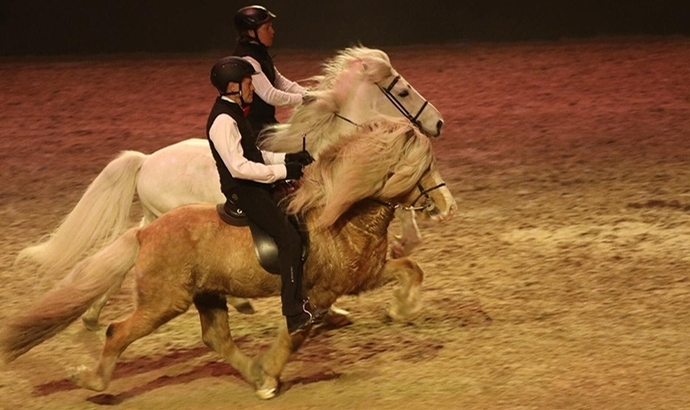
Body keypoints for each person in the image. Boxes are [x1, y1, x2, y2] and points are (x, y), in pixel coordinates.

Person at [206, 56, 315, 336]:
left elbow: (256, 154)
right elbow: (239, 168)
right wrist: (282, 171)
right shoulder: (222, 121)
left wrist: (289, 157)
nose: (252, 89)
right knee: (289, 240)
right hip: (243, 191)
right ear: (232, 86)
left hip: (254, 184)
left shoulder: (235, 114)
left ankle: (307, 296)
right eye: (247, 84)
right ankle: (293, 315)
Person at [232, 5, 306, 133]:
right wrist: (303, 100)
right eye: (267, 28)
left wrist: (308, 93)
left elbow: (280, 81)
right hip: (253, 129)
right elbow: (270, 95)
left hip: (266, 123)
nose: (272, 31)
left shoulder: (259, 53)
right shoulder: (247, 59)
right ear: (251, 32)